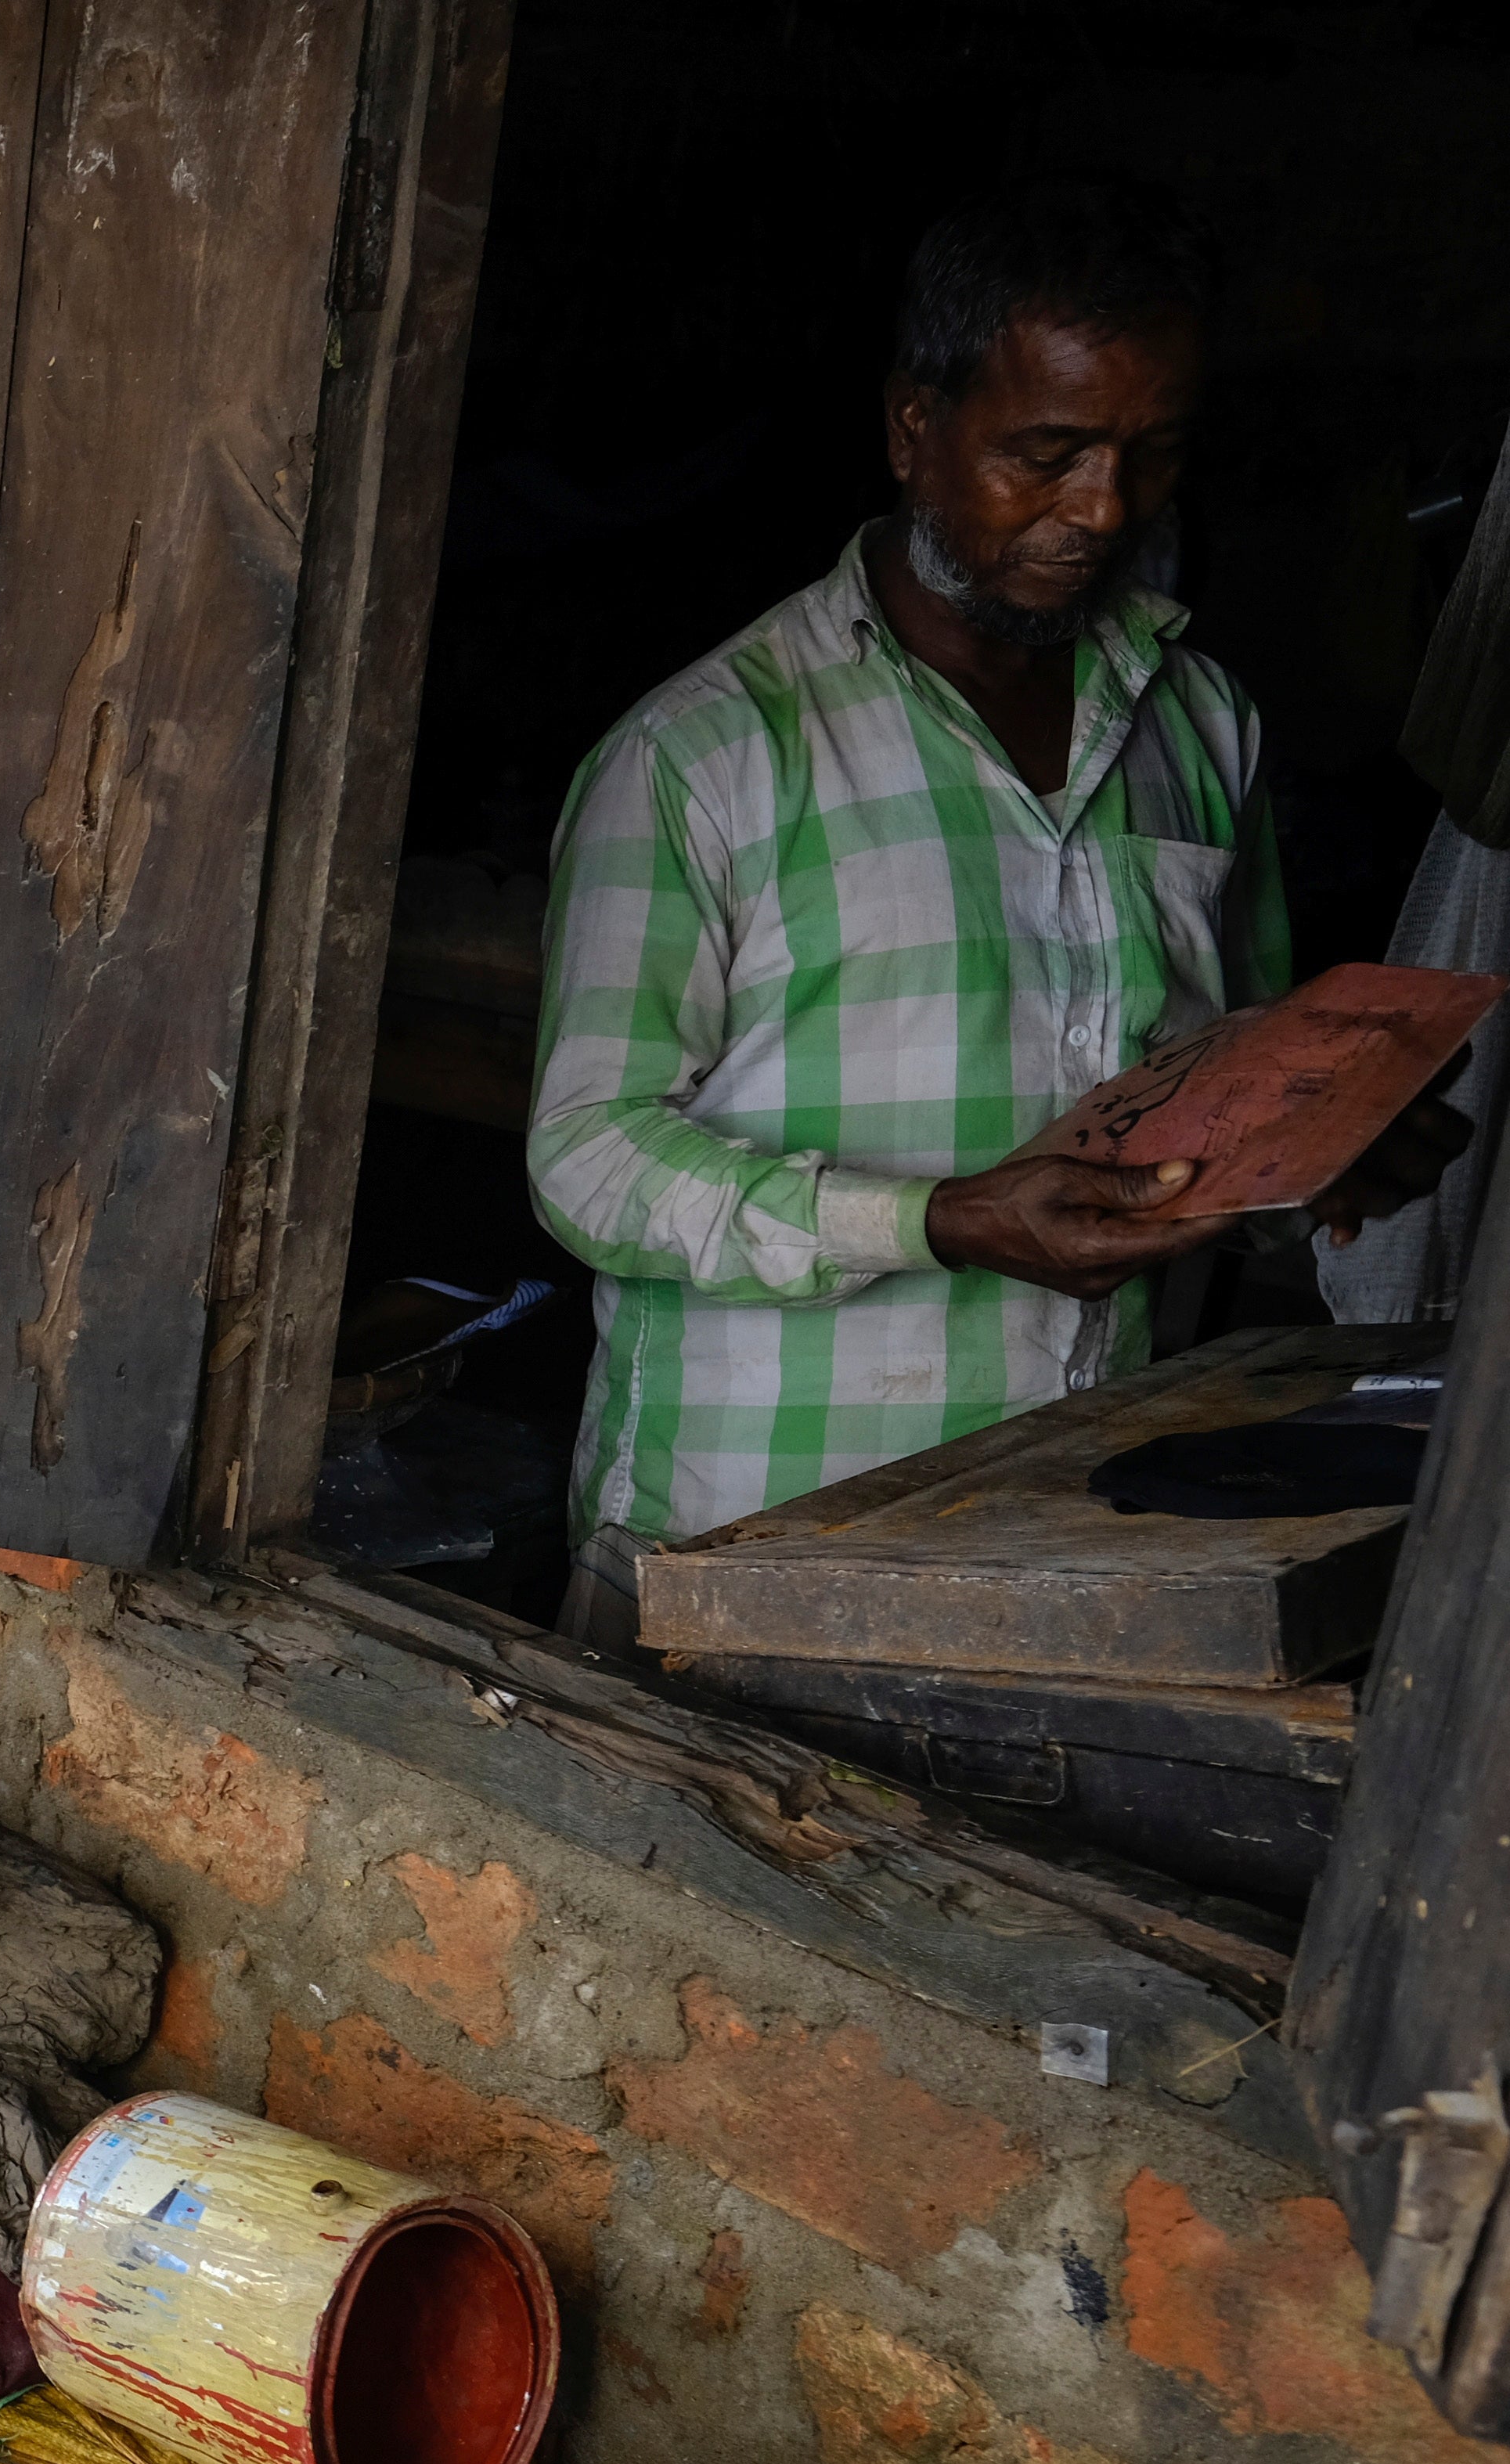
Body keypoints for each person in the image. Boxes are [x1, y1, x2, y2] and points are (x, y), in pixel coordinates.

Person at [527, 180, 1447, 1648]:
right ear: (912, 426)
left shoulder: (1198, 722)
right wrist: (942, 1223)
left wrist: (1321, 1149)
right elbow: (586, 1157)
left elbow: (1231, 1073)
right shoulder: (707, 751)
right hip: (746, 1542)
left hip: (1082, 1521)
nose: (1102, 509)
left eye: (1151, 456)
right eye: (1046, 452)